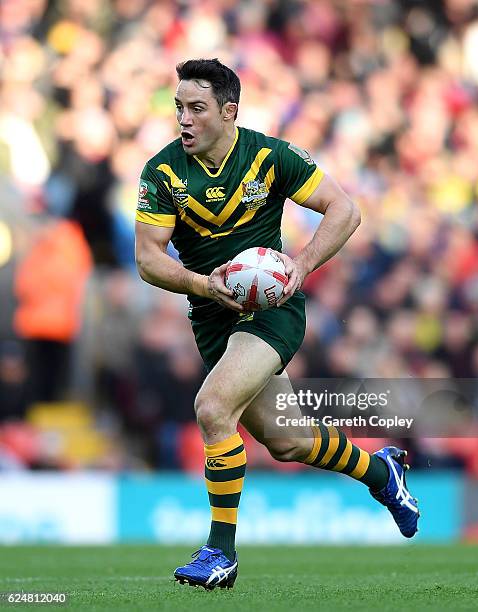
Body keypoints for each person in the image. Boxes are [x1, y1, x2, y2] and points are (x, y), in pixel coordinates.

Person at [135, 59, 419, 590]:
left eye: (197, 108)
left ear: (229, 112)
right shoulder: (163, 172)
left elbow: (344, 209)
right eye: (179, 108)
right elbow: (148, 258)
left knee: (213, 407)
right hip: (213, 317)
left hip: (273, 310)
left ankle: (220, 553)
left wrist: (301, 266)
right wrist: (202, 285)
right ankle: (384, 474)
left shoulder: (270, 156)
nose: (185, 119)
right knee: (287, 441)